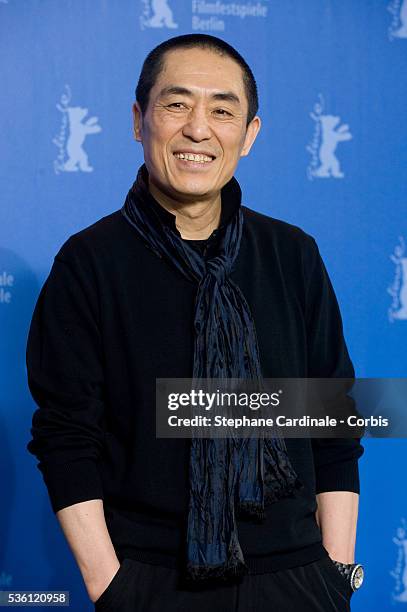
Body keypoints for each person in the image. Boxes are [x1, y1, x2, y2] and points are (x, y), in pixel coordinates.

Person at [26, 34, 365, 611]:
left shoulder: (291, 254)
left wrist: (336, 574)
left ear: (250, 134)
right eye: (177, 104)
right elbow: (66, 436)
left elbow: (333, 421)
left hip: (298, 577)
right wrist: (112, 586)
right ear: (139, 120)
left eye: (223, 110)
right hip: (155, 582)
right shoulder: (90, 262)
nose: (199, 129)